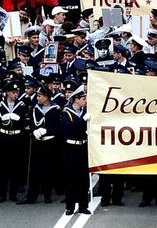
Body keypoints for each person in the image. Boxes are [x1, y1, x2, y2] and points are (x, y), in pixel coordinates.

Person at [60, 87, 89, 216]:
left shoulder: (86, 111)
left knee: (83, 179)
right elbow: (68, 127)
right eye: (83, 99)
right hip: (70, 147)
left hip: (82, 146)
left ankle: (83, 206)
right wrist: (83, 120)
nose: (85, 101)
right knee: (70, 178)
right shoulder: (66, 112)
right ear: (76, 99)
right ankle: (70, 207)